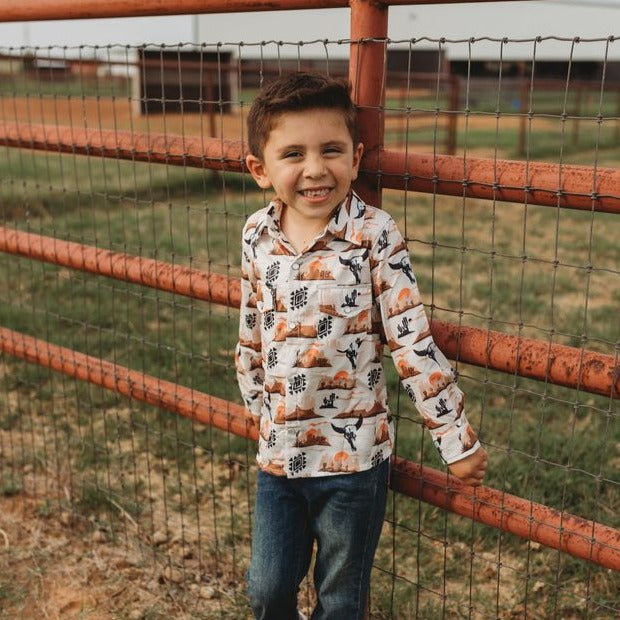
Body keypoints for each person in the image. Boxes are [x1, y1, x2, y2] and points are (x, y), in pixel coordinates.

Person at [235, 72, 487, 620]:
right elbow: (252, 324)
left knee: (341, 599)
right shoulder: (257, 235)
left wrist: (454, 437)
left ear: (355, 158)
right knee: (267, 590)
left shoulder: (375, 234)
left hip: (354, 461)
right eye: (293, 154)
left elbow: (411, 338)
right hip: (280, 454)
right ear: (260, 169)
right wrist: (256, 399)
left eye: (331, 150)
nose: (315, 168)